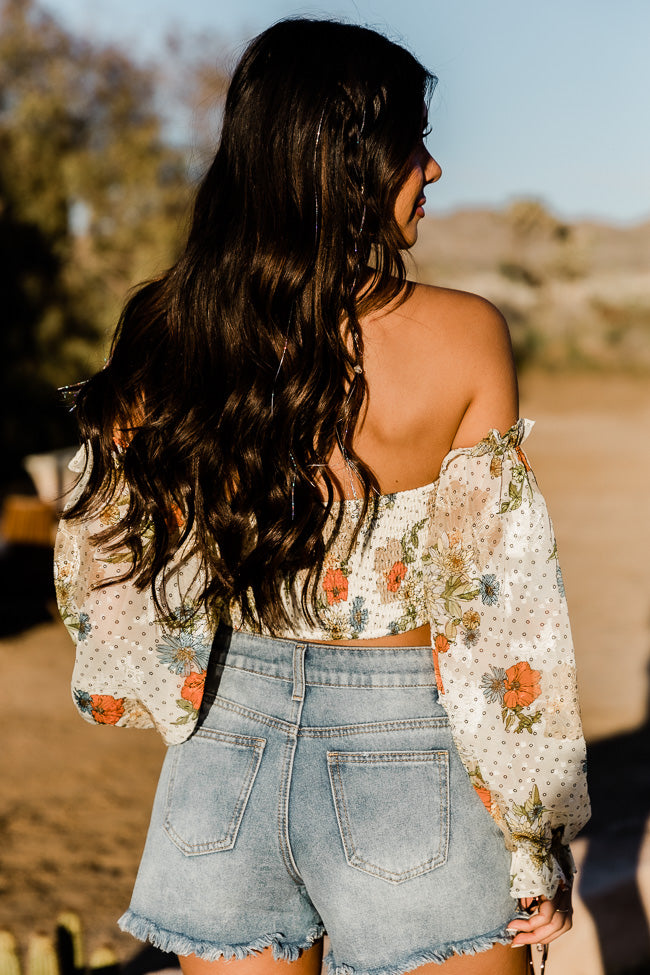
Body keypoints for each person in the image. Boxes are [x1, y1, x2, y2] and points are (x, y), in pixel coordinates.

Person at [54, 18, 589, 975]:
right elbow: (501, 619)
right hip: (411, 758)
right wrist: (532, 831)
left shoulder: (171, 329)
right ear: (350, 161)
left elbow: (106, 549)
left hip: (222, 745)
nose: (432, 170)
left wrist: (164, 677)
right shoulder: (465, 336)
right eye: (414, 142)